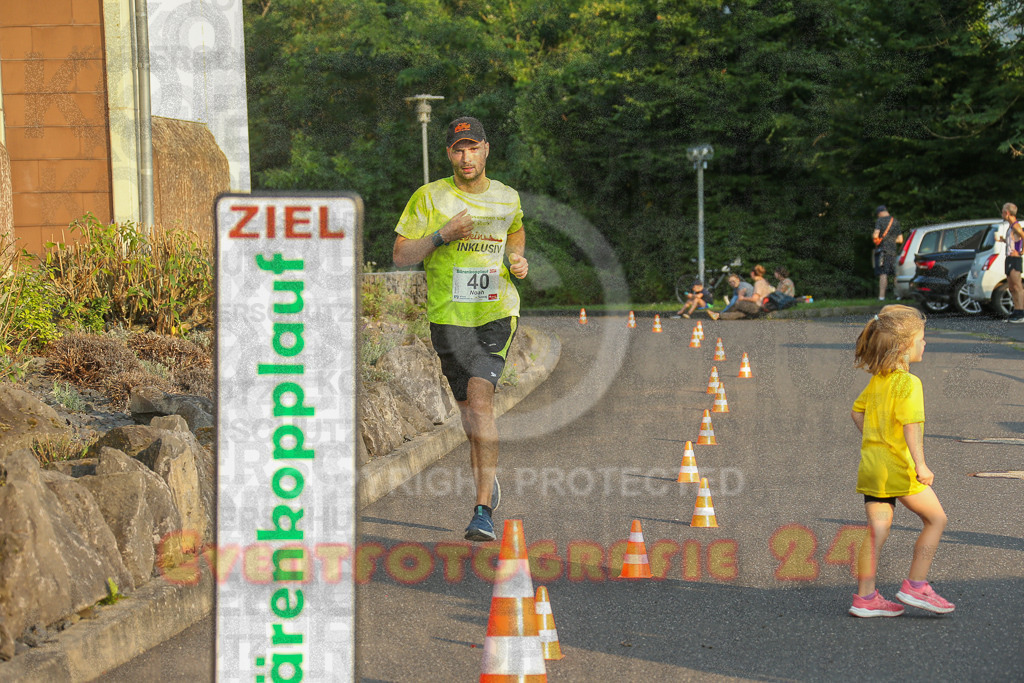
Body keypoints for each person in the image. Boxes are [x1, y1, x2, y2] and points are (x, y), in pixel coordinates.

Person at [393, 116, 528, 542]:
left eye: (473, 147)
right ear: (449, 154)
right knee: (470, 416)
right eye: (458, 149)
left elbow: (516, 230)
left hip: (496, 313)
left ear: (486, 149)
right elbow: (401, 255)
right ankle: (488, 476)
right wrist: (442, 235)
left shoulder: (506, 197)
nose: (466, 156)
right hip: (448, 320)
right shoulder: (429, 197)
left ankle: (482, 510)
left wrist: (516, 259)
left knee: (481, 403)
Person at [849, 305, 954, 618]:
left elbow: (856, 411)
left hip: (872, 467)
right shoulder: (909, 383)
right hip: (898, 467)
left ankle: (865, 598)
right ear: (904, 346)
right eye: (921, 338)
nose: (925, 343)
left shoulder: (878, 380)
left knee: (876, 531)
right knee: (936, 520)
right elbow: (911, 426)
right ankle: (916, 585)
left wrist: (876, 438)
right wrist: (921, 465)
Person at [994, 202, 1024, 323]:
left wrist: (1022, 250)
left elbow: (1023, 236)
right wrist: (1003, 240)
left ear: (1007, 213)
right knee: (1011, 287)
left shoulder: (1016, 226)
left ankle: (1021, 312)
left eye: (1003, 211)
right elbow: (1014, 241)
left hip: (1015, 259)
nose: (1002, 214)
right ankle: (1016, 310)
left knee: (1017, 286)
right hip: (1009, 258)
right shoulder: (1011, 227)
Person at [872, 205, 904, 301]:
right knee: (895, 274)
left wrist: (877, 239)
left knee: (883, 274)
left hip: (883, 251)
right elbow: (900, 240)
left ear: (880, 213)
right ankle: (898, 296)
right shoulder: (895, 221)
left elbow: (875, 235)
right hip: (893, 251)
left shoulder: (880, 221)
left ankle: (881, 297)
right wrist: (892, 240)